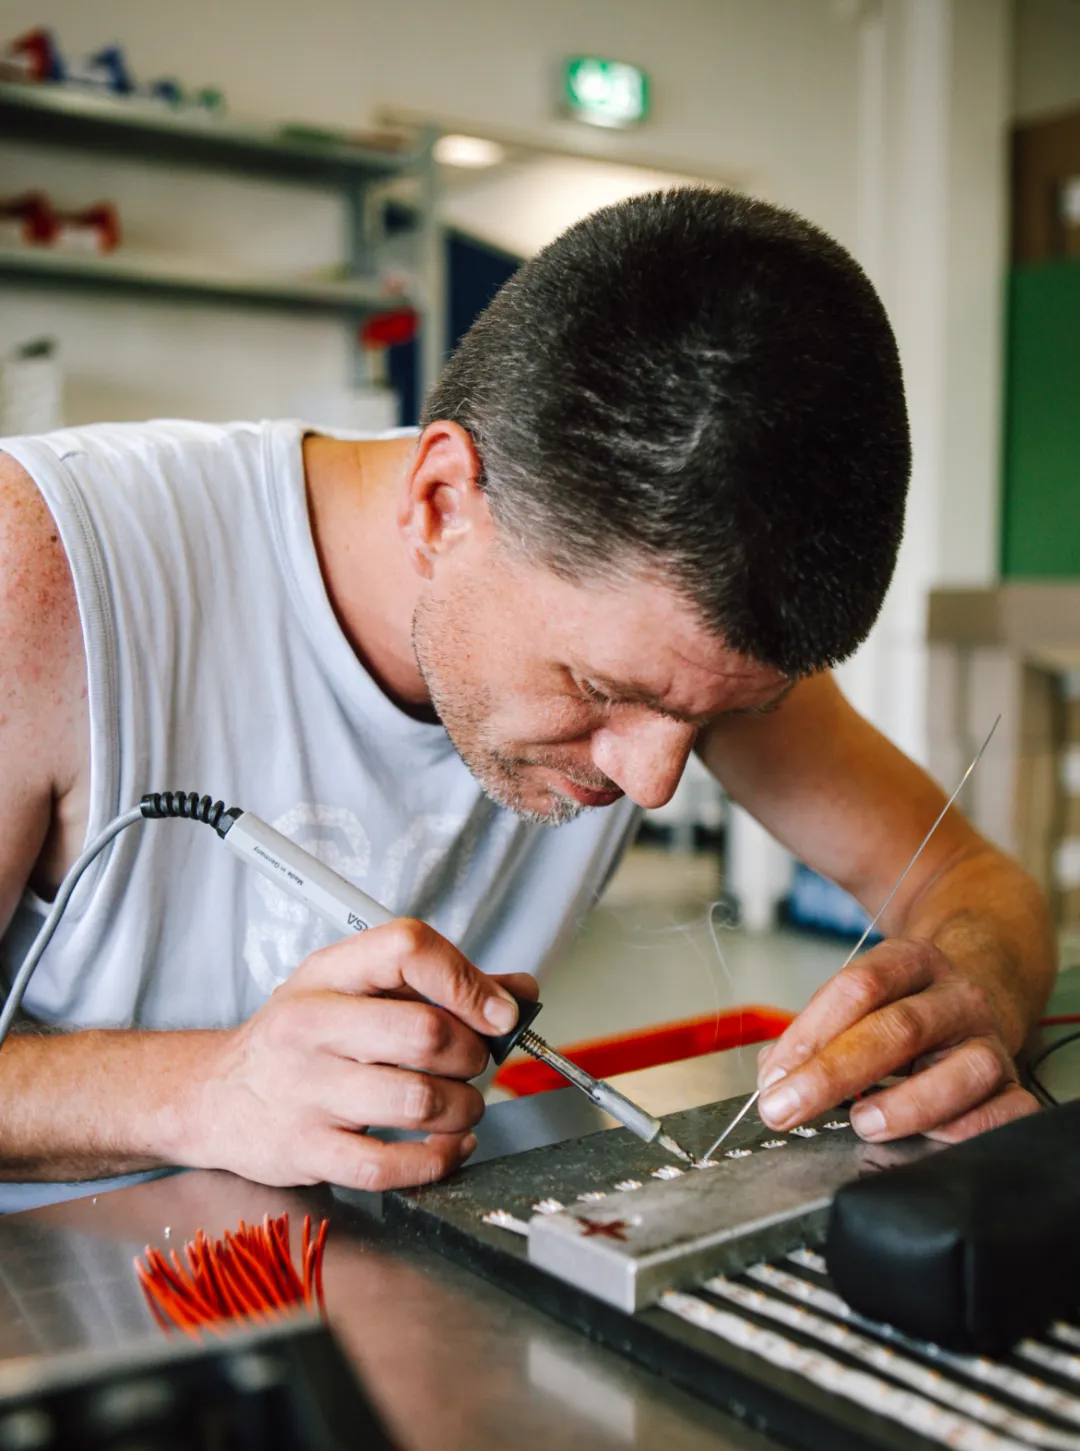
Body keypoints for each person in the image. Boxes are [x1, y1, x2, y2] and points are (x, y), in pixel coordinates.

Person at [0, 188, 1055, 1208]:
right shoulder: (46, 572)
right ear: (442, 500)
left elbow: (967, 880)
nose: (650, 780)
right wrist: (205, 1091)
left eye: (716, 718)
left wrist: (973, 993)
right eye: (599, 691)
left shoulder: (679, 645)